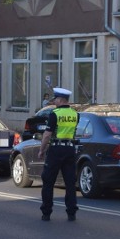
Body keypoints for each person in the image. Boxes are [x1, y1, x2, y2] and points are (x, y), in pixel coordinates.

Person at [37, 87, 79, 222]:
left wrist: (42, 150)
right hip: (70, 150)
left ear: (61, 100)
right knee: (70, 183)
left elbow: (47, 135)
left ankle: (46, 212)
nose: (54, 101)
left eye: (55, 99)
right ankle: (71, 213)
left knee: (48, 181)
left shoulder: (55, 114)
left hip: (56, 150)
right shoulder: (75, 114)